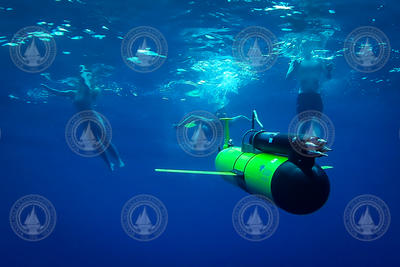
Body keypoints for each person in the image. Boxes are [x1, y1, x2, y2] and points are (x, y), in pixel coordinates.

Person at [41, 65, 124, 171]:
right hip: (84, 121)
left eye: (82, 81)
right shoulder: (72, 93)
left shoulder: (89, 91)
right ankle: (109, 164)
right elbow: (58, 93)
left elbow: (87, 84)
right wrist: (46, 88)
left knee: (105, 141)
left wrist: (83, 73)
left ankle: (118, 160)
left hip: (94, 118)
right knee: (96, 143)